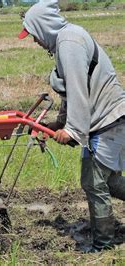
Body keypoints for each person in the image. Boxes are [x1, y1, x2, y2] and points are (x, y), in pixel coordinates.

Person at [18, 0, 125, 253]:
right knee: (107, 181)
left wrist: (74, 131)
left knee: (93, 182)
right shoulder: (65, 42)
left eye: (33, 34)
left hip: (107, 119)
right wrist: (60, 123)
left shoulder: (69, 43)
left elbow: (79, 90)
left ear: (44, 27)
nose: (34, 41)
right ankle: (104, 241)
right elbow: (69, 92)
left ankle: (103, 247)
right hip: (106, 118)